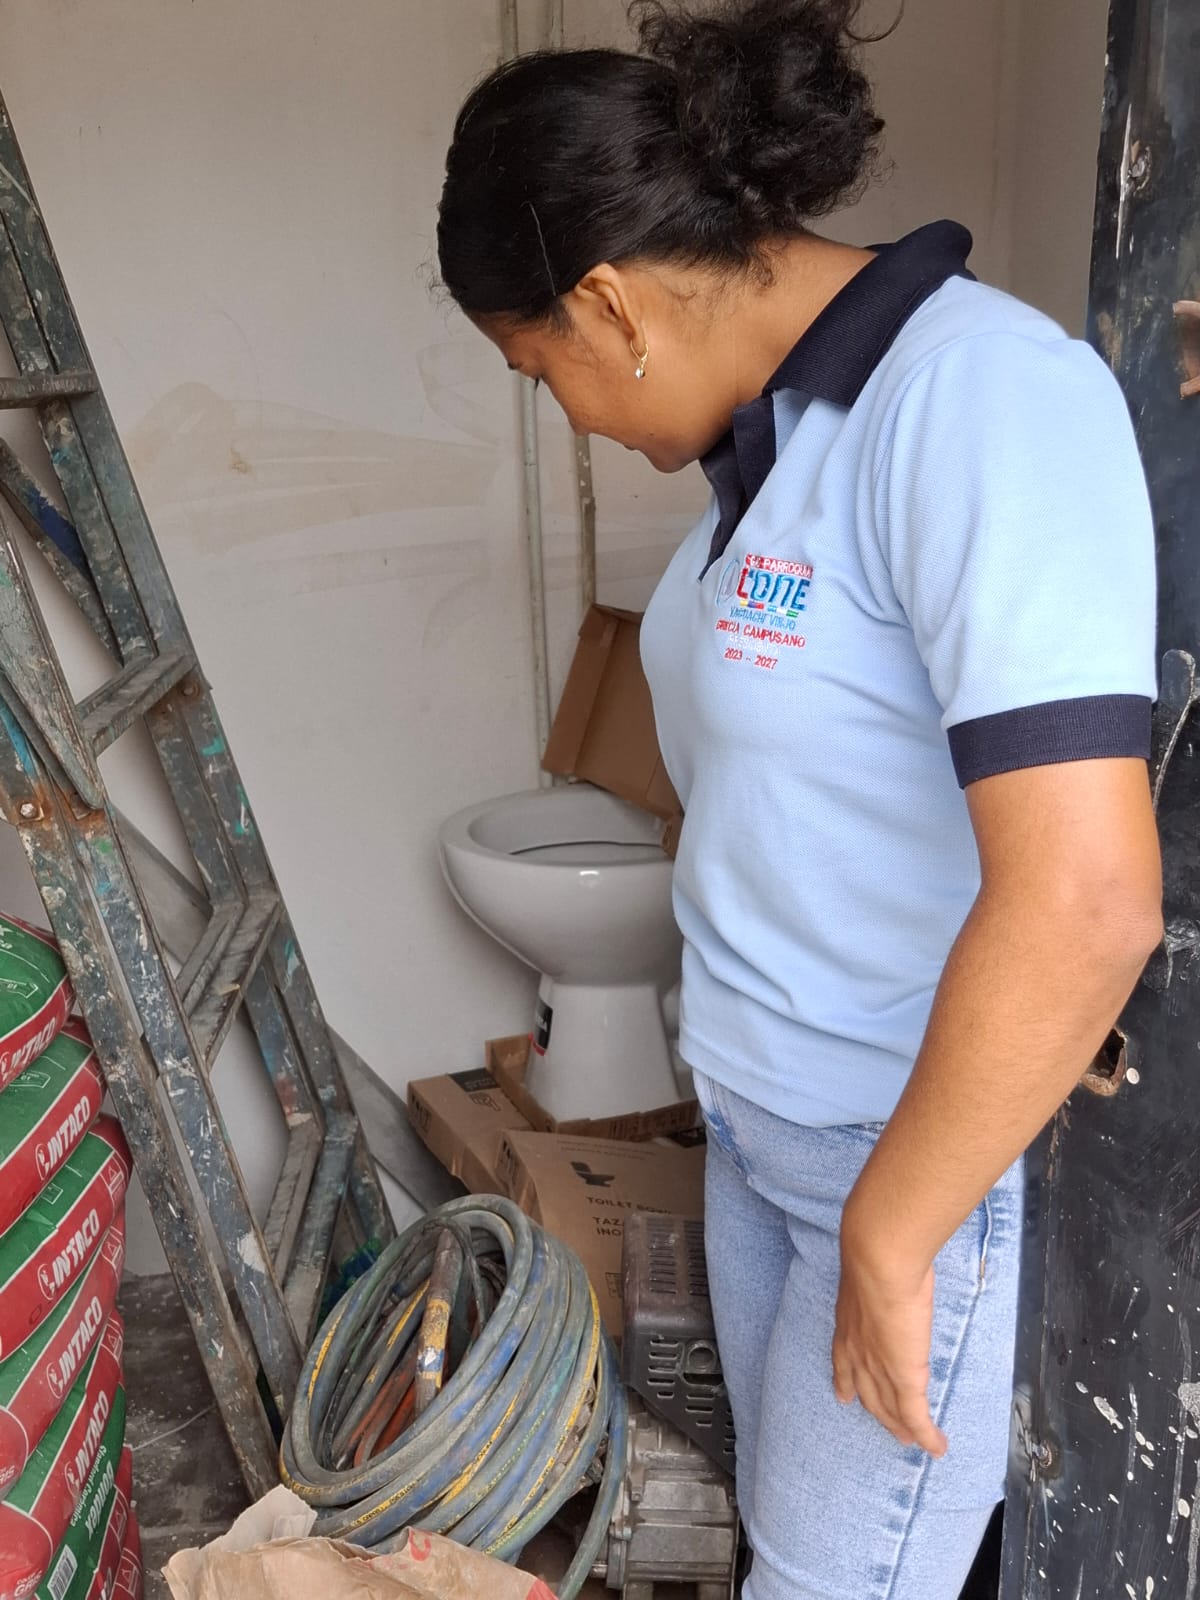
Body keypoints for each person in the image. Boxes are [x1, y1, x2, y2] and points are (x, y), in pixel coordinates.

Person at [436, 2, 1163, 1595]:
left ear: (608, 303)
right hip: (764, 1130)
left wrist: (895, 1231)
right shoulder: (771, 446)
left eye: (540, 372)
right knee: (789, 1546)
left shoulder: (979, 400)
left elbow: (1089, 895)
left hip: (893, 1157)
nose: (569, 414)